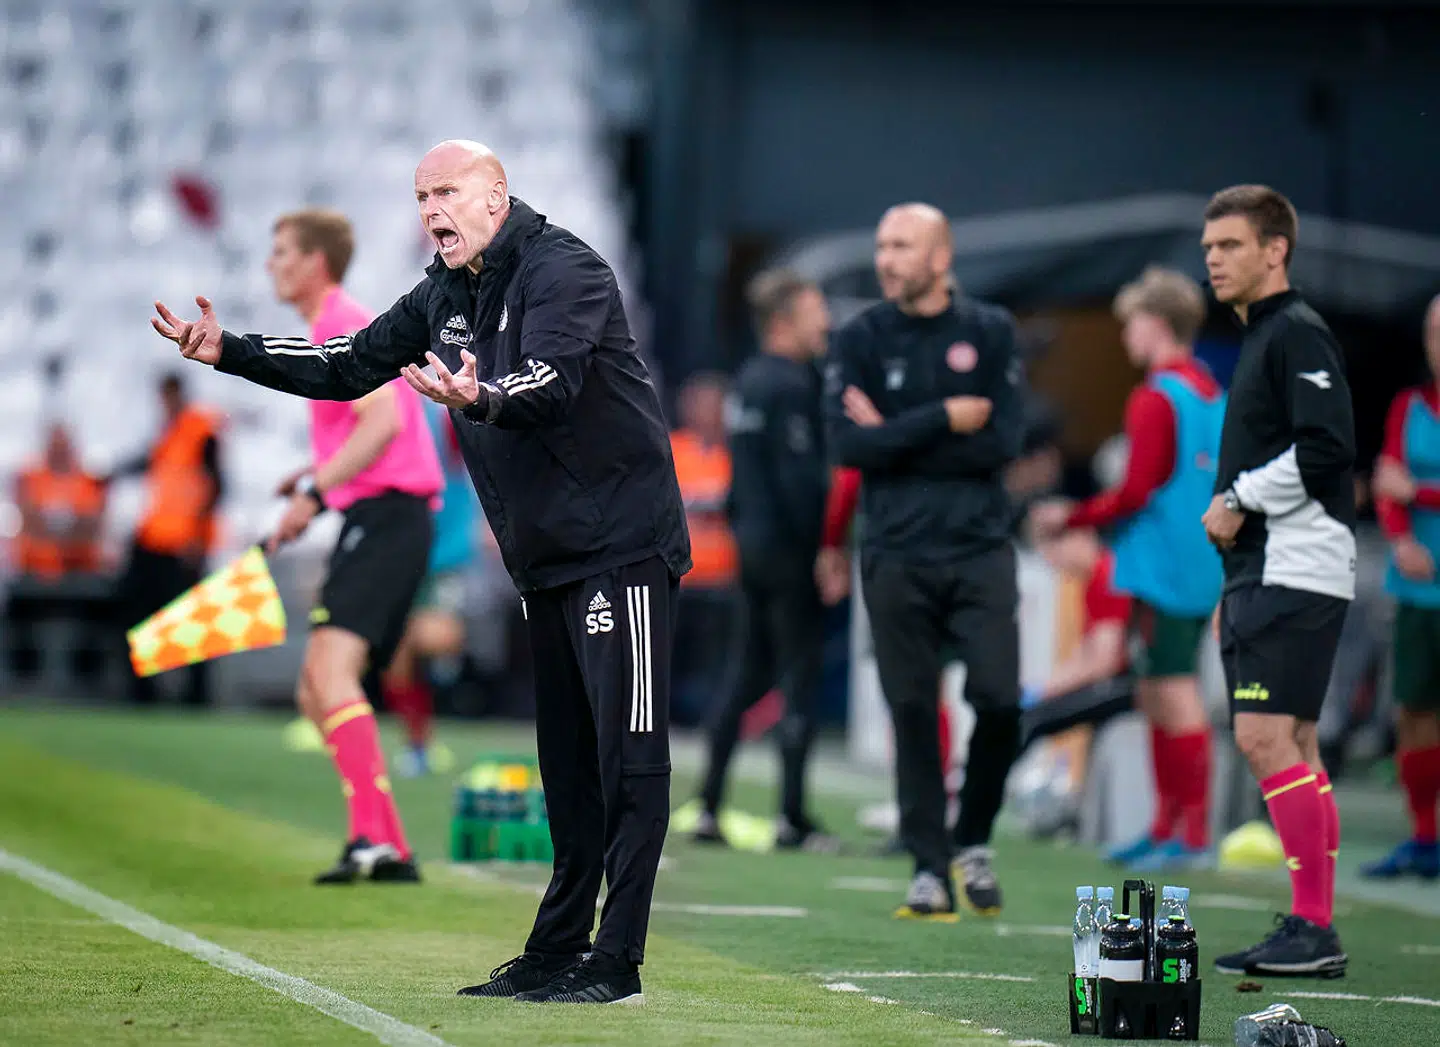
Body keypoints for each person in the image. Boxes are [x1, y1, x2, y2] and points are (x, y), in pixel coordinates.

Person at [151, 140, 690, 1006]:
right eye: (421, 195)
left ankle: (616, 959)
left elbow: (550, 381)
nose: (432, 209)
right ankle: (556, 948)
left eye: (448, 191)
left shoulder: (567, 270)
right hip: (548, 561)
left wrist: (483, 396)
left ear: (494, 198)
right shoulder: (445, 289)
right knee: (568, 763)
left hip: (619, 546)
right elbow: (352, 361)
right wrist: (232, 350)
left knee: (626, 754)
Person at [824, 202, 1024, 918]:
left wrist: (894, 434)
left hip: (978, 546)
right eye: (881, 244)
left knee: (1001, 700)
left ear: (941, 257)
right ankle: (928, 865)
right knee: (911, 709)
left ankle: (972, 835)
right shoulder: (860, 337)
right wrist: (942, 418)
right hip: (896, 550)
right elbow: (848, 447)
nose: (887, 258)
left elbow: (1002, 442)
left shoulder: (990, 330)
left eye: (902, 245)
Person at [1199, 185, 1354, 978]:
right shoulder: (1269, 334)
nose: (1215, 260)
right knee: (1294, 741)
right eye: (1209, 249)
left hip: (1290, 564)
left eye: (1230, 245)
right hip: (1289, 566)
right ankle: (1313, 924)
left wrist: (1236, 496)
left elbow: (1326, 447)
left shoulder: (1295, 331)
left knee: (1262, 738)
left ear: (1275, 249)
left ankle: (1313, 925)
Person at [264, 207, 443, 884]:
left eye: (281, 251)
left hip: (390, 513)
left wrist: (314, 489)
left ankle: (376, 840)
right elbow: (363, 432)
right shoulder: (333, 322)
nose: (271, 263)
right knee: (317, 688)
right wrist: (315, 480)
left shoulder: (343, 322)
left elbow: (386, 422)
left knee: (330, 677)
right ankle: (385, 841)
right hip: (379, 513)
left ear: (315, 262)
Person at [1031, 266, 1226, 871]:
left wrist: (1071, 517)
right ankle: (1167, 827)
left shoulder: (1155, 396)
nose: (1125, 337)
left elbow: (1135, 491)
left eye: (1132, 324)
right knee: (1156, 691)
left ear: (1158, 324)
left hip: (1162, 566)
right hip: (1196, 560)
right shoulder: (1210, 393)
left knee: (1174, 693)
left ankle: (1188, 835)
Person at [693, 269, 835, 850]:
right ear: (783, 321)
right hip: (788, 550)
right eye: (814, 311)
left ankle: (708, 805)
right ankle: (791, 817)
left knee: (743, 673)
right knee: (799, 675)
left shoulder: (747, 382)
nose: (824, 322)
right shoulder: (793, 384)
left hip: (748, 548)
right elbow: (801, 483)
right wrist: (829, 545)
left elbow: (741, 477)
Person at [1364, 292, 1440, 881]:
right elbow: (1386, 483)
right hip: (1416, 588)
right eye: (1434, 332)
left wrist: (1419, 493)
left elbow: (1403, 486)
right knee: (1413, 711)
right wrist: (1402, 539)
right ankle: (1422, 836)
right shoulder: (1408, 405)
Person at [110, 372, 225, 706]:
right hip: (154, 537)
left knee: (190, 621)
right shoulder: (169, 433)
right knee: (138, 612)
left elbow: (216, 484)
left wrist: (199, 537)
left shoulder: (200, 430)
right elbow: (151, 466)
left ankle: (195, 696)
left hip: (183, 542)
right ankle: (143, 692)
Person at [382, 398, 472, 778]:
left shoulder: (446, 413)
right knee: (394, 657)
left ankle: (446, 671)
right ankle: (417, 744)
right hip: (401, 547)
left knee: (436, 636)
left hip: (445, 551)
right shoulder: (386, 407)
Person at [668, 372, 739, 725]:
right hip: (677, 577)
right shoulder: (671, 447)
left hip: (722, 579)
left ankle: (712, 722)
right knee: (665, 658)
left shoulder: (736, 453)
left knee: (716, 661)